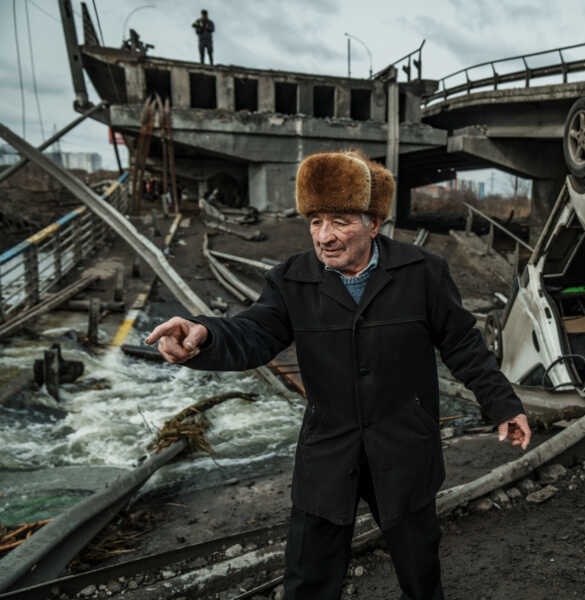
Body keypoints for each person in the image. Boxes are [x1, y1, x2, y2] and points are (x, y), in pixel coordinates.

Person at [145, 150, 531, 599]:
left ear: (374, 222)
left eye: (341, 221)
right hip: (328, 452)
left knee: (420, 573)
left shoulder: (423, 273)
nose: (324, 237)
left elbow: (463, 344)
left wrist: (502, 404)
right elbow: (253, 332)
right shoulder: (292, 280)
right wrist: (203, 333)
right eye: (315, 221)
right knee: (308, 579)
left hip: (405, 450)